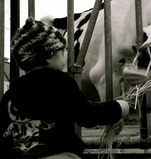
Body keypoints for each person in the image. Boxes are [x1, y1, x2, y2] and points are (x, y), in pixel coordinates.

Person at [0, 17, 129, 159]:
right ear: (49, 56)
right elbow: (87, 115)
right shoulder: (62, 83)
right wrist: (119, 107)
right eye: (62, 52)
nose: (65, 58)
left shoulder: (10, 95)